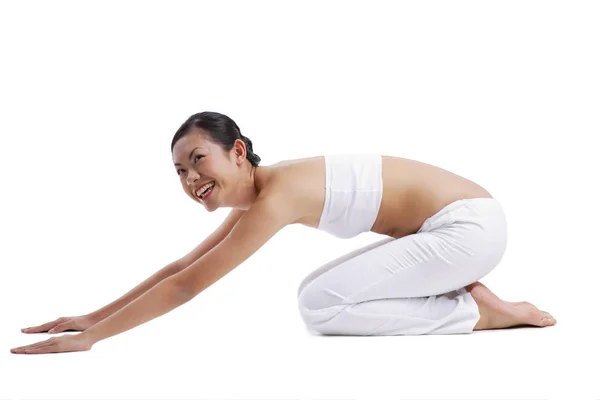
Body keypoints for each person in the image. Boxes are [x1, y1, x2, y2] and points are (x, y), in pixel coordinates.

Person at [11, 111, 556, 354]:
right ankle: (466, 298)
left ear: (239, 152)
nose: (192, 179)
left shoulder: (278, 196)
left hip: (469, 230)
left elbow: (187, 288)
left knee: (320, 305)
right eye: (180, 172)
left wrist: (92, 341)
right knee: (315, 299)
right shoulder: (266, 193)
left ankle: (476, 312)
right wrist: (91, 316)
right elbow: (181, 267)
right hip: (459, 230)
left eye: (199, 160)